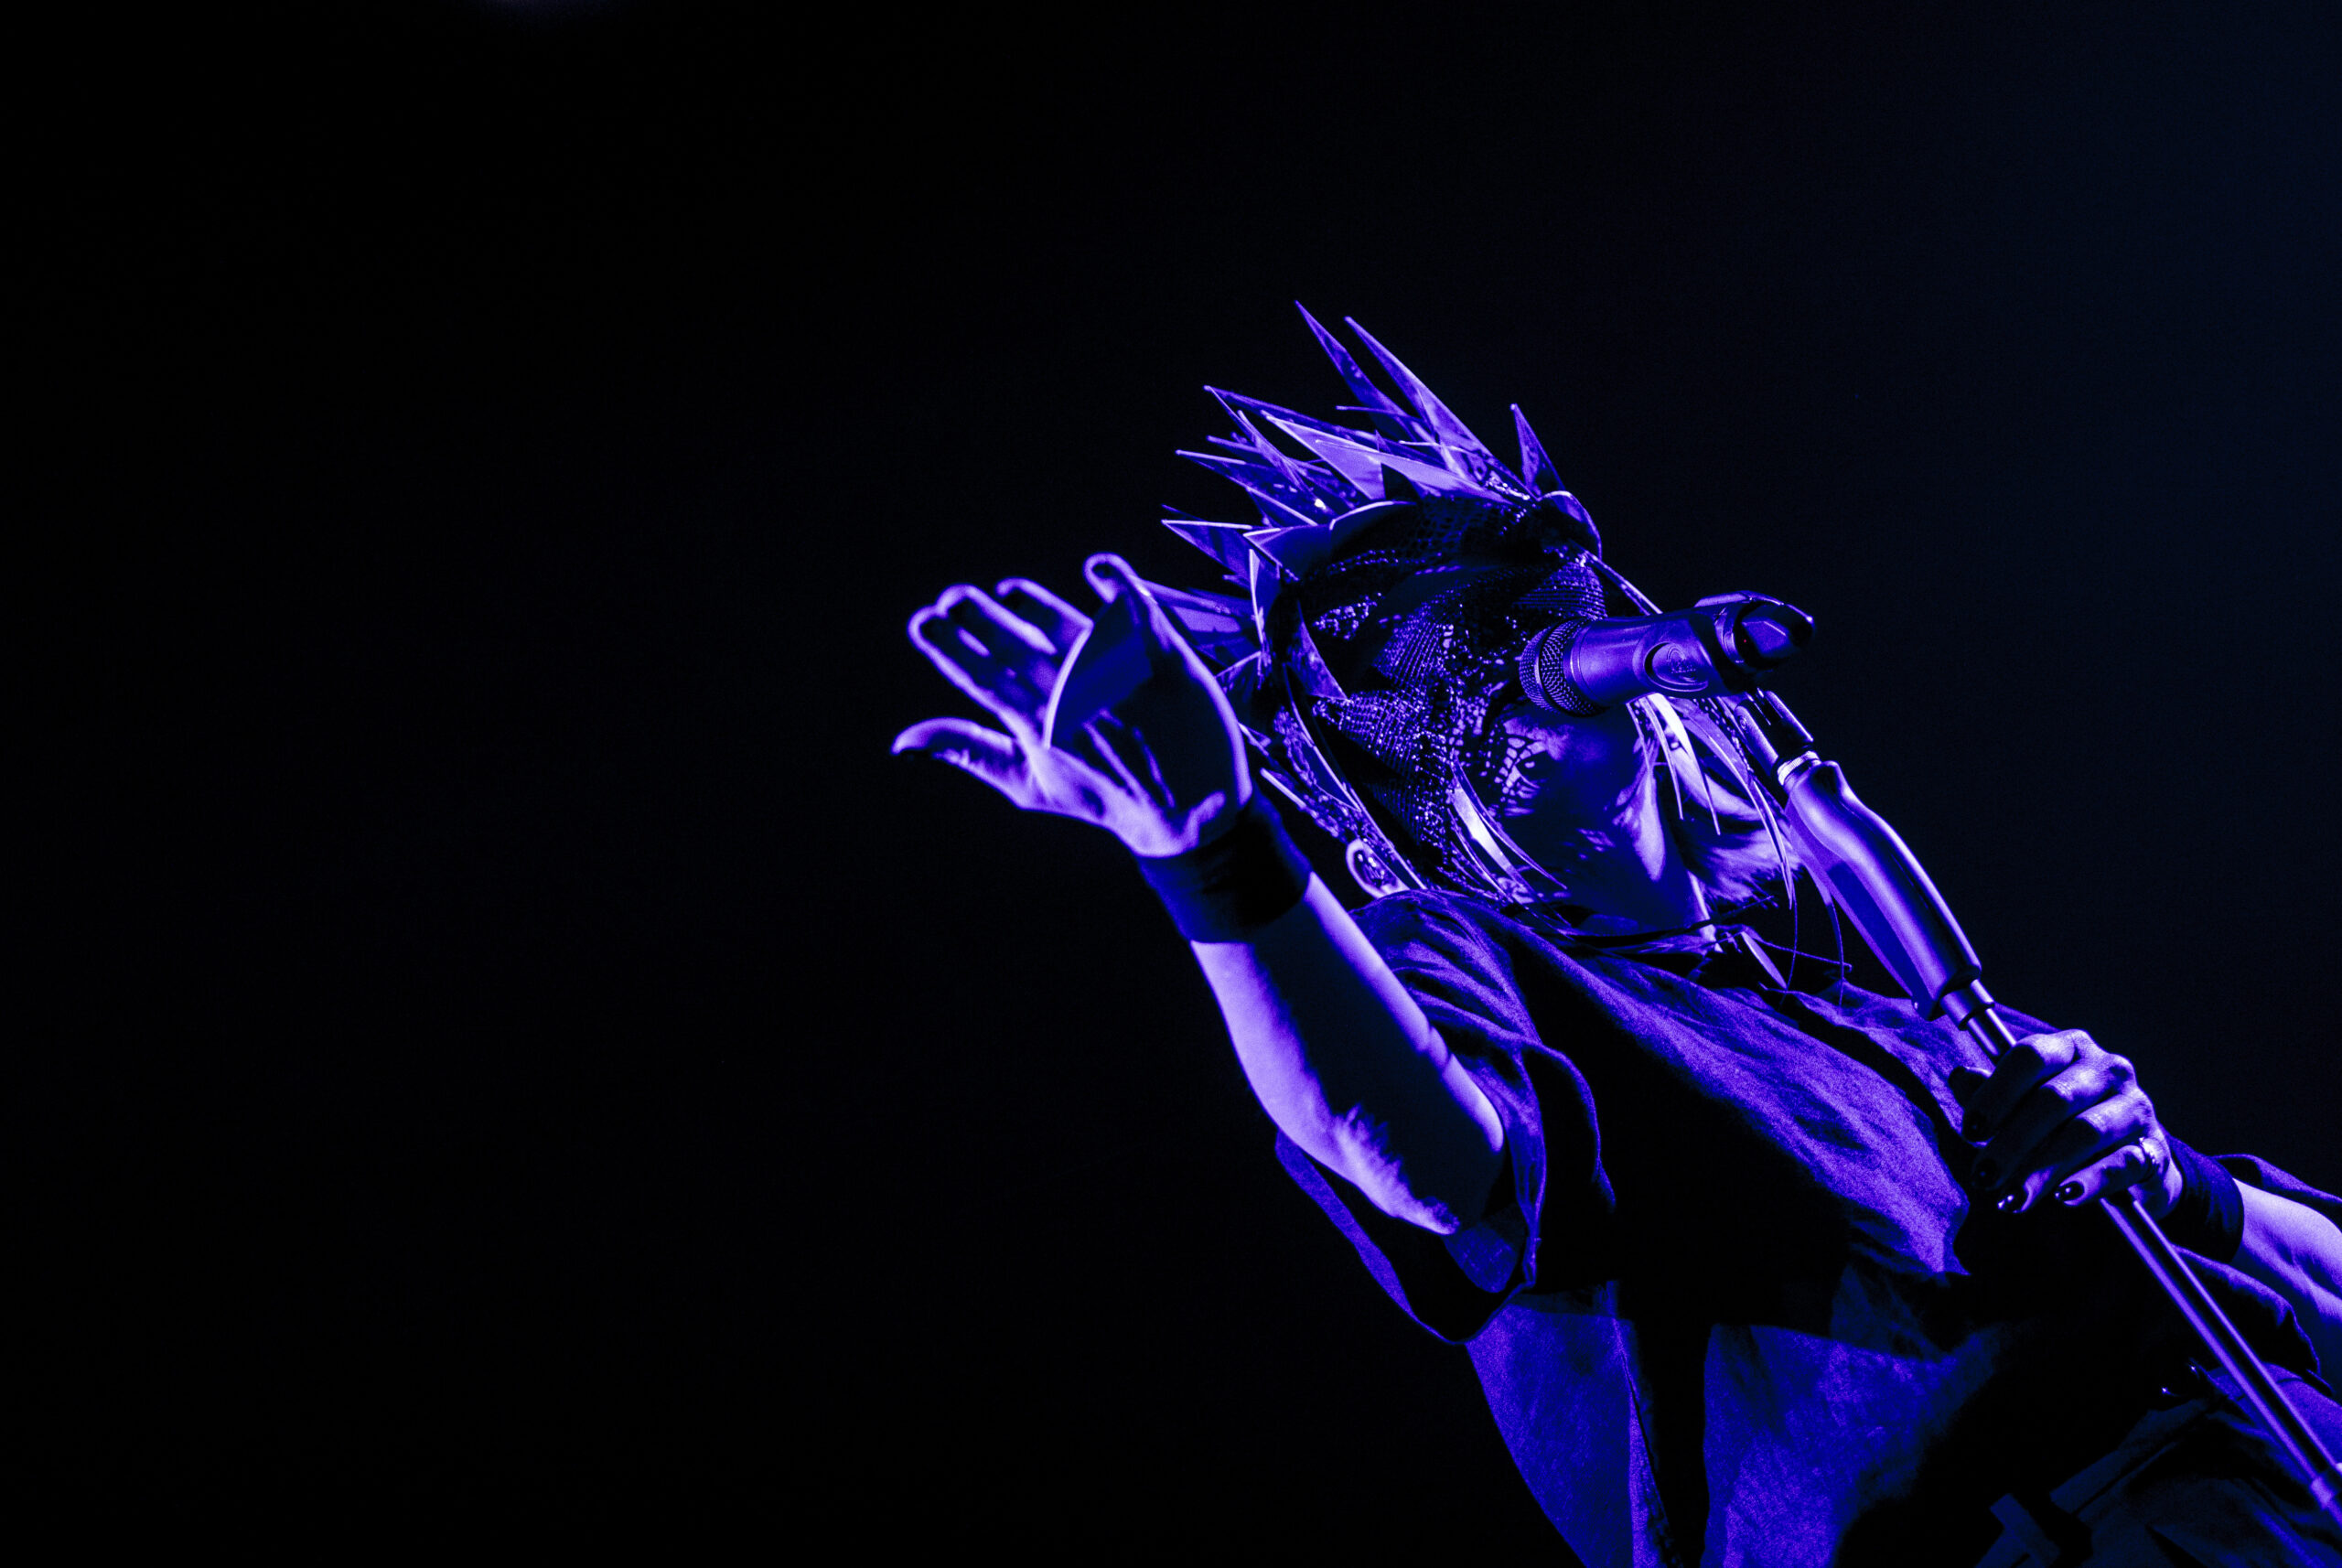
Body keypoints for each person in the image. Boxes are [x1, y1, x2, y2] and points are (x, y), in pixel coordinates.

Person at [893, 309, 2342, 1565]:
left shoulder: (1873, 1007)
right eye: (1425, 658)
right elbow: (1402, 1140)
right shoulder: (1468, 968)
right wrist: (1212, 849)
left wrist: (2193, 1190)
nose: (1510, 668)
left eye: (1515, 612)